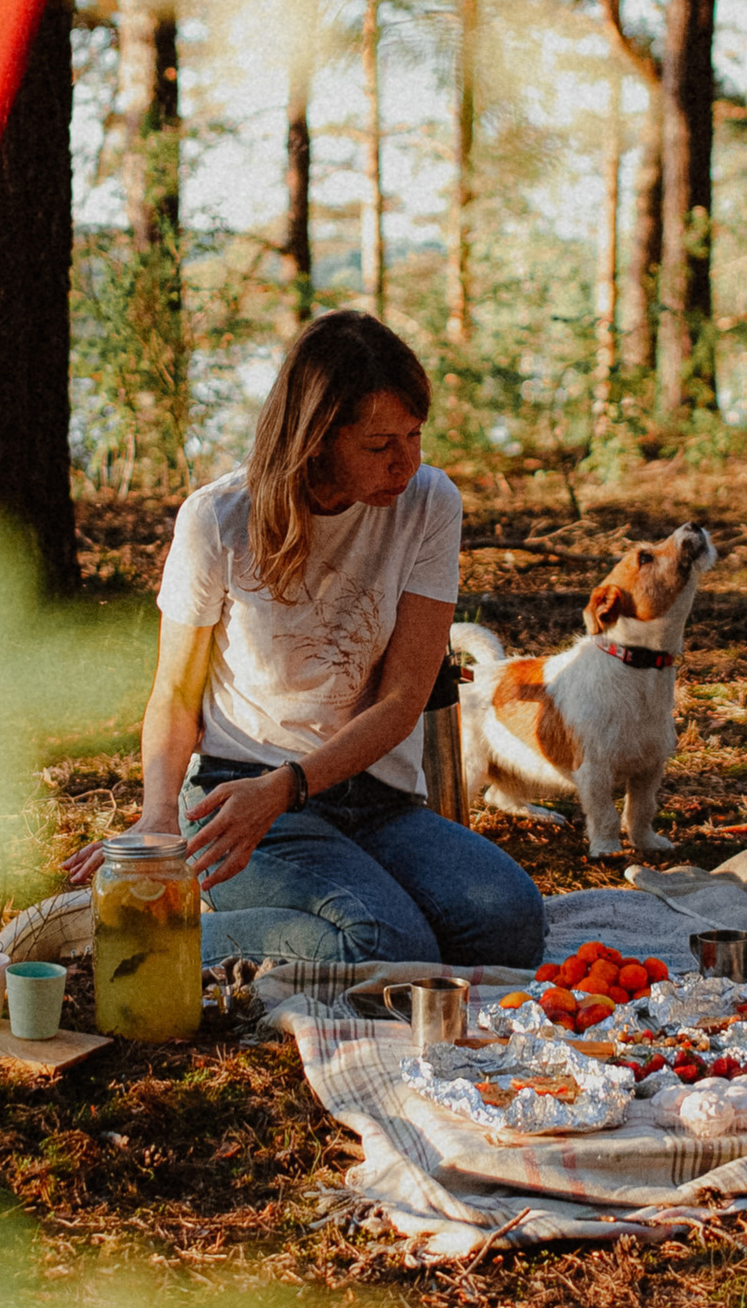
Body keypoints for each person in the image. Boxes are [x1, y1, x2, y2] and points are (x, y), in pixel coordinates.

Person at [104, 310, 545, 974]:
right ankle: (135, 933)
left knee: (510, 923)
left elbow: (402, 700)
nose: (407, 461)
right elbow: (174, 689)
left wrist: (295, 784)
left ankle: (297, 919)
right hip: (242, 798)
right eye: (378, 445)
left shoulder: (429, 504)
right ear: (316, 440)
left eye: (415, 434)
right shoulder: (219, 519)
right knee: (386, 946)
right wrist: (162, 813)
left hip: (374, 799)